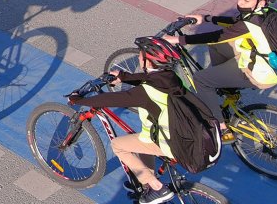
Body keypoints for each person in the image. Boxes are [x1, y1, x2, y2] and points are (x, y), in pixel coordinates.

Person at [68, 37, 203, 204]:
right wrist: (124, 77)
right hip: (189, 133)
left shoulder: (145, 92)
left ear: (148, 62)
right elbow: (150, 78)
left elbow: (114, 99)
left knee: (118, 145)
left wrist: (79, 100)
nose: (139, 58)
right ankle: (145, 183)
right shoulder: (171, 77)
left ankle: (156, 187)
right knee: (141, 142)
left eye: (140, 56)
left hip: (172, 142)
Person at [167, 0, 277, 117]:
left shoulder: (251, 23)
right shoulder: (269, 12)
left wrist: (178, 39)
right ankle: (227, 88)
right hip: (265, 62)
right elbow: (236, 22)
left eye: (246, 0)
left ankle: (220, 126)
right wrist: (206, 18)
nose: (239, 3)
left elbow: (217, 37)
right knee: (218, 47)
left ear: (261, 1)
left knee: (201, 79)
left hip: (259, 73)